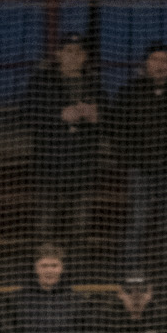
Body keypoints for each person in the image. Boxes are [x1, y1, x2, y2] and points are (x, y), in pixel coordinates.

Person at [107, 41, 167, 272]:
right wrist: (127, 160)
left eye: (165, 61)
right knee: (138, 224)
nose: (161, 65)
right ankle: (131, 271)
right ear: (146, 63)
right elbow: (116, 128)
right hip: (141, 170)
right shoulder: (130, 93)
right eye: (156, 60)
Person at [21, 36, 103, 249]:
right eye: (68, 50)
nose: (73, 56)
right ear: (58, 54)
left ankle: (78, 265)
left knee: (80, 221)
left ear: (84, 56)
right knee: (46, 220)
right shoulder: (43, 79)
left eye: (78, 51)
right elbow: (27, 114)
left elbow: (109, 116)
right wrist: (59, 115)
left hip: (82, 162)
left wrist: (96, 115)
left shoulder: (93, 81)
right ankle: (44, 263)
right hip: (50, 162)